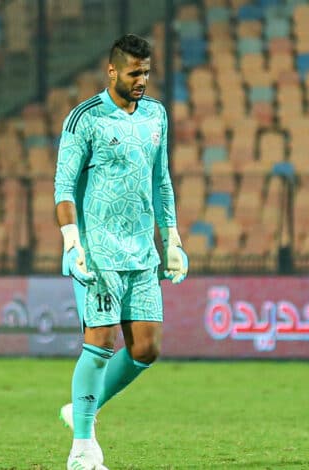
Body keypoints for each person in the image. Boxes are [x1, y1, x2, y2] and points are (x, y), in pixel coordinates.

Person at [53, 33, 189, 470]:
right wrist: (72, 242)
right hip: (97, 252)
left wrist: (172, 239)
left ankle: (80, 409)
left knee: (146, 349)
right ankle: (82, 447)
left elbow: (161, 180)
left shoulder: (155, 115)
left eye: (146, 72)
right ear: (112, 71)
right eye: (134, 73)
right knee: (100, 342)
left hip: (142, 253)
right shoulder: (85, 118)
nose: (141, 80)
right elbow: (63, 186)